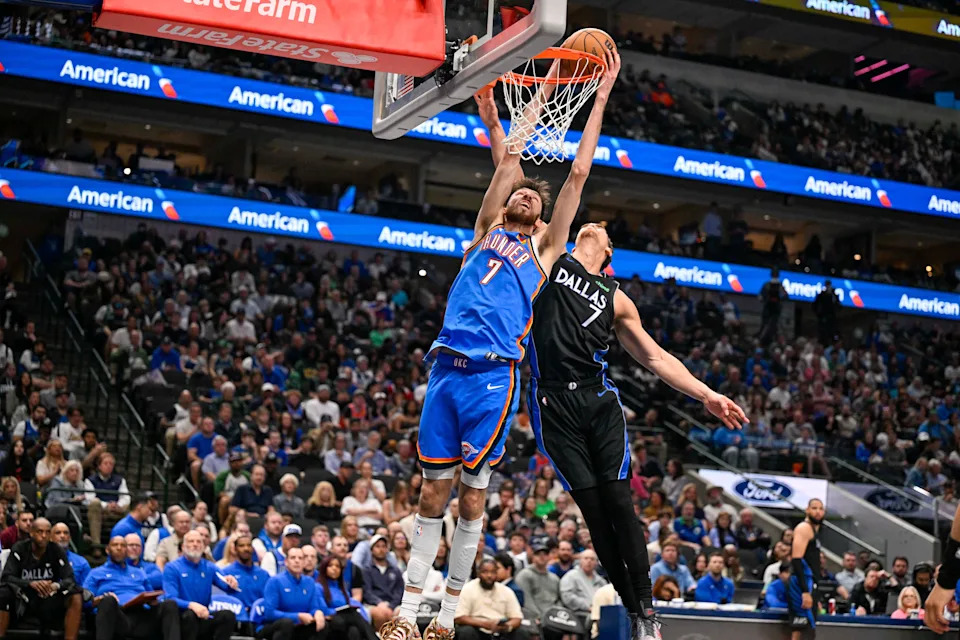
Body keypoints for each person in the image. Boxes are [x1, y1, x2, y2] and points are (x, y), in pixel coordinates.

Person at [381, 49, 622, 640]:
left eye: (536, 201)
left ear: (543, 220)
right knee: (431, 493)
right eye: (521, 194)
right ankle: (410, 613)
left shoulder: (543, 254)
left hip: (493, 374)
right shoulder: (485, 231)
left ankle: (447, 609)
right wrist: (545, 88)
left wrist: (599, 92)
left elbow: (580, 175)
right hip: (445, 369)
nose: (526, 197)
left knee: (469, 499)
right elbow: (514, 151)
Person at [518, 179, 745, 640]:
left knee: (620, 504)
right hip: (551, 401)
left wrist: (707, 394)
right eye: (590, 223)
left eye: (602, 229)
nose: (594, 225)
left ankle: (646, 613)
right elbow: (530, 192)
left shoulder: (616, 297)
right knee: (595, 516)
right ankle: (633, 605)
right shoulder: (550, 256)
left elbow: (658, 358)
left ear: (609, 253)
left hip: (599, 402)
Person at [0, 517, 82, 640]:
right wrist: (30, 583)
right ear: (31, 533)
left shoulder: (56, 550)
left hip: (48, 596)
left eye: (47, 532)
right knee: (3, 592)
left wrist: (55, 586)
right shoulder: (20, 548)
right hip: (23, 597)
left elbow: (69, 578)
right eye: (40, 531)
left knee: (76, 596)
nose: (44, 535)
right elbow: (7, 577)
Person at [83, 535, 175, 640]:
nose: (119, 548)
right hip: (118, 616)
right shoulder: (96, 573)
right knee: (108, 601)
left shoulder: (139, 573)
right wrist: (100, 599)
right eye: (115, 545)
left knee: (169, 604)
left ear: (127, 551)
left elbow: (151, 595)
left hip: (142, 616)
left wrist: (154, 600)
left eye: (123, 545)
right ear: (107, 550)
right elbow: (85, 600)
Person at [160, 529, 241, 640]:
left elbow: (227, 586)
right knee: (190, 615)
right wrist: (191, 605)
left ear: (203, 547)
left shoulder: (209, 566)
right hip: (182, 617)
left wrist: (232, 583)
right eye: (191, 541)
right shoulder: (172, 567)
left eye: (199, 542)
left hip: (203, 616)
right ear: (183, 547)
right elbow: (170, 598)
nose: (195, 544)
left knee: (227, 616)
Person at [260, 546, 326, 640]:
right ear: (286, 562)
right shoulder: (275, 581)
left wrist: (317, 613)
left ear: (304, 562)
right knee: (286, 624)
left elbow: (313, 608)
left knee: (321, 624)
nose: (297, 561)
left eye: (300, 558)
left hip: (299, 627)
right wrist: (297, 616)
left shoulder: (310, 582)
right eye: (293, 558)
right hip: (275, 626)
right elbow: (269, 613)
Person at [454, 557, 526, 640]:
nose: (489, 575)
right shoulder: (467, 589)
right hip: (477, 628)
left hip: (500, 630)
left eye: (493, 572)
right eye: (485, 572)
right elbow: (459, 617)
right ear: (478, 573)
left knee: (521, 632)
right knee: (466, 631)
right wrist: (485, 624)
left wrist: (507, 626)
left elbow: (517, 617)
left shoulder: (506, 591)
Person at [787, 499, 825, 640]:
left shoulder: (815, 530)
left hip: (811, 584)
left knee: (809, 628)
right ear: (807, 510)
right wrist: (805, 592)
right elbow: (797, 560)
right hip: (802, 584)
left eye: (821, 509)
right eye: (814, 508)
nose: (818, 511)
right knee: (800, 628)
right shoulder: (804, 528)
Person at [315, 555, 376, 640]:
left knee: (354, 630)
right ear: (324, 568)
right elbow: (323, 610)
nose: (334, 568)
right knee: (354, 616)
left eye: (337, 566)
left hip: (345, 621)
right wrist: (338, 612)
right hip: (331, 621)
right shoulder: (318, 587)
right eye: (330, 566)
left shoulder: (343, 590)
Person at [362, 535, 404, 630]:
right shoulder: (366, 570)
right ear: (372, 550)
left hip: (393, 604)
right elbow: (367, 592)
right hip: (373, 604)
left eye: (383, 546)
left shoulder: (395, 570)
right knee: (379, 614)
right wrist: (379, 603)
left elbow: (399, 591)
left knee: (401, 613)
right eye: (377, 546)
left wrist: (391, 606)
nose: (381, 549)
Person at [515, 543, 561, 620]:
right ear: (533, 557)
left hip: (554, 618)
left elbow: (559, 600)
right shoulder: (524, 575)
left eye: (545, 554)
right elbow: (526, 600)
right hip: (534, 618)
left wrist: (558, 615)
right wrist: (538, 616)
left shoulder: (554, 578)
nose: (542, 557)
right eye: (538, 554)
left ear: (549, 557)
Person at [559, 549, 607, 621]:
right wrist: (588, 607)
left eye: (592, 559)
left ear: (596, 563)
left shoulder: (601, 581)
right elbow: (567, 596)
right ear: (580, 560)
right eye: (586, 558)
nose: (589, 561)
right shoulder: (570, 576)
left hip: (600, 614)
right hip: (578, 616)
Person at [51, 522, 90, 587]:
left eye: (65, 533)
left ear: (69, 537)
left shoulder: (81, 562)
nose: (62, 536)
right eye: (58, 533)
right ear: (50, 537)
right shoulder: (42, 558)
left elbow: (86, 590)